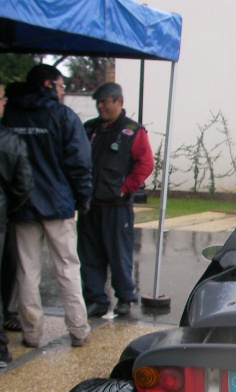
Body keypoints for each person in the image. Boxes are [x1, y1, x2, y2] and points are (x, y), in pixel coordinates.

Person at [2, 64, 92, 348]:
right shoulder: (62, 115)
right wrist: (83, 197)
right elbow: (79, 162)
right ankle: (78, 330)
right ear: (48, 85)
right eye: (61, 85)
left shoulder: (10, 116)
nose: (63, 90)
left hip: (21, 206)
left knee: (27, 271)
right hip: (58, 205)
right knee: (67, 267)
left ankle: (31, 333)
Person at [79, 82, 153, 317]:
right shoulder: (90, 129)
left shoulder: (133, 130)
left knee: (119, 255)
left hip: (116, 207)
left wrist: (125, 187)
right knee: (89, 257)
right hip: (90, 205)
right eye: (98, 102)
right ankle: (96, 300)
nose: (100, 106)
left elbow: (146, 164)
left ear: (118, 102)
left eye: (105, 102)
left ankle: (124, 298)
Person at [0, 74, 34, 367]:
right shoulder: (8, 139)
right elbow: (23, 185)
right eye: (2, 99)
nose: (5, 104)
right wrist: (5, 208)